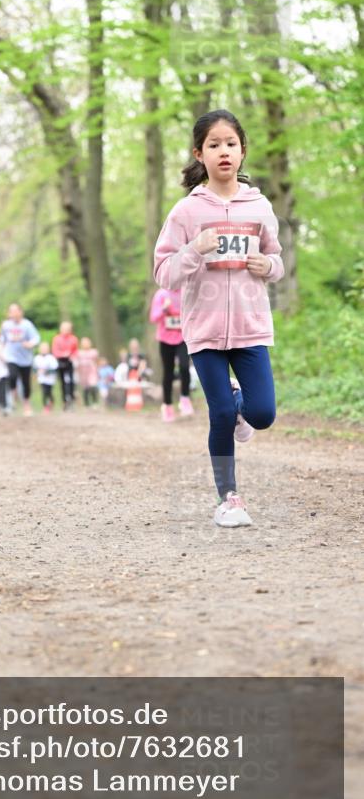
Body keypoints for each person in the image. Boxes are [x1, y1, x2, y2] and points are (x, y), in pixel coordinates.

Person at [154, 109, 283, 527]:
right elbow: (163, 273)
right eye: (214, 145)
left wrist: (269, 266)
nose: (223, 151)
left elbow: (275, 258)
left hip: (250, 327)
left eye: (231, 144)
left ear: (242, 151)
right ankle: (228, 498)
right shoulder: (186, 212)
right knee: (221, 414)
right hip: (205, 330)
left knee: (261, 414)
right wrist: (194, 249)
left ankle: (241, 403)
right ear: (199, 154)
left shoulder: (260, 206)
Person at [149, 288, 194, 422]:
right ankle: (167, 406)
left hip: (183, 337)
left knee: (185, 367)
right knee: (168, 372)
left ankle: (185, 399)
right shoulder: (161, 294)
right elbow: (153, 317)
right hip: (165, 339)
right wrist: (164, 309)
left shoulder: (186, 292)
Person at [0, 303, 40, 416]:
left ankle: (26, 405)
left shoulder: (27, 325)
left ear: (21, 312)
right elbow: (2, 340)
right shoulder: (6, 325)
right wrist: (1, 352)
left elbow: (36, 338)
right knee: (12, 376)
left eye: (16, 311)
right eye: (11, 311)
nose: (13, 313)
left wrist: (30, 344)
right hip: (11, 356)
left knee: (26, 382)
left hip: (26, 358)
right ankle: (13, 396)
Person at [51, 321, 79, 409]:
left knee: (71, 381)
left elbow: (75, 351)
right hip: (60, 362)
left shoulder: (73, 339)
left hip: (70, 361)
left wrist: (71, 356)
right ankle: (64, 401)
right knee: (62, 382)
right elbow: (55, 351)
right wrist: (62, 354)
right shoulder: (56, 338)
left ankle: (71, 398)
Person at [33, 342, 59, 412]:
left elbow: (55, 368)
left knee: (49, 392)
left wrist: (46, 371)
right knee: (44, 392)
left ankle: (51, 402)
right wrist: (36, 373)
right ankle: (45, 406)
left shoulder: (51, 358)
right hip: (41, 379)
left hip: (50, 379)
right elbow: (34, 368)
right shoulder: (37, 358)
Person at [75, 336, 99, 406]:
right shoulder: (79, 353)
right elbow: (77, 363)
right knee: (85, 389)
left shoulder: (94, 352)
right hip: (83, 373)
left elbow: (97, 361)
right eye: (84, 343)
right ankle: (87, 404)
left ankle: (95, 402)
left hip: (92, 372)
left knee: (93, 386)